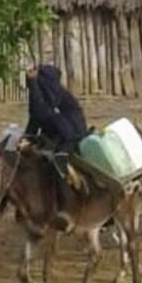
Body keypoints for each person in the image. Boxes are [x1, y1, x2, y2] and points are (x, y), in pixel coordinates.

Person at [22, 64, 88, 231]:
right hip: (56, 135)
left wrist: (33, 83)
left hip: (70, 136)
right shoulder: (43, 97)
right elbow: (35, 117)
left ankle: (67, 207)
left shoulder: (57, 96)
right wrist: (26, 138)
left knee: (57, 164)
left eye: (39, 82)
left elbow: (41, 111)